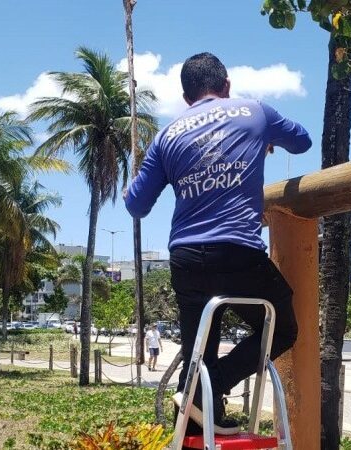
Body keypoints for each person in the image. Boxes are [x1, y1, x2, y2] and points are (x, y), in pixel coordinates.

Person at [125, 52, 311, 436]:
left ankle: (197, 400)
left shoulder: (167, 135)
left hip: (186, 259)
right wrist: (264, 140)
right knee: (285, 327)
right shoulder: (254, 112)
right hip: (236, 253)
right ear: (226, 86)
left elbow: (136, 205)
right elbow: (303, 141)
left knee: (200, 350)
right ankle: (210, 388)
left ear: (185, 96)